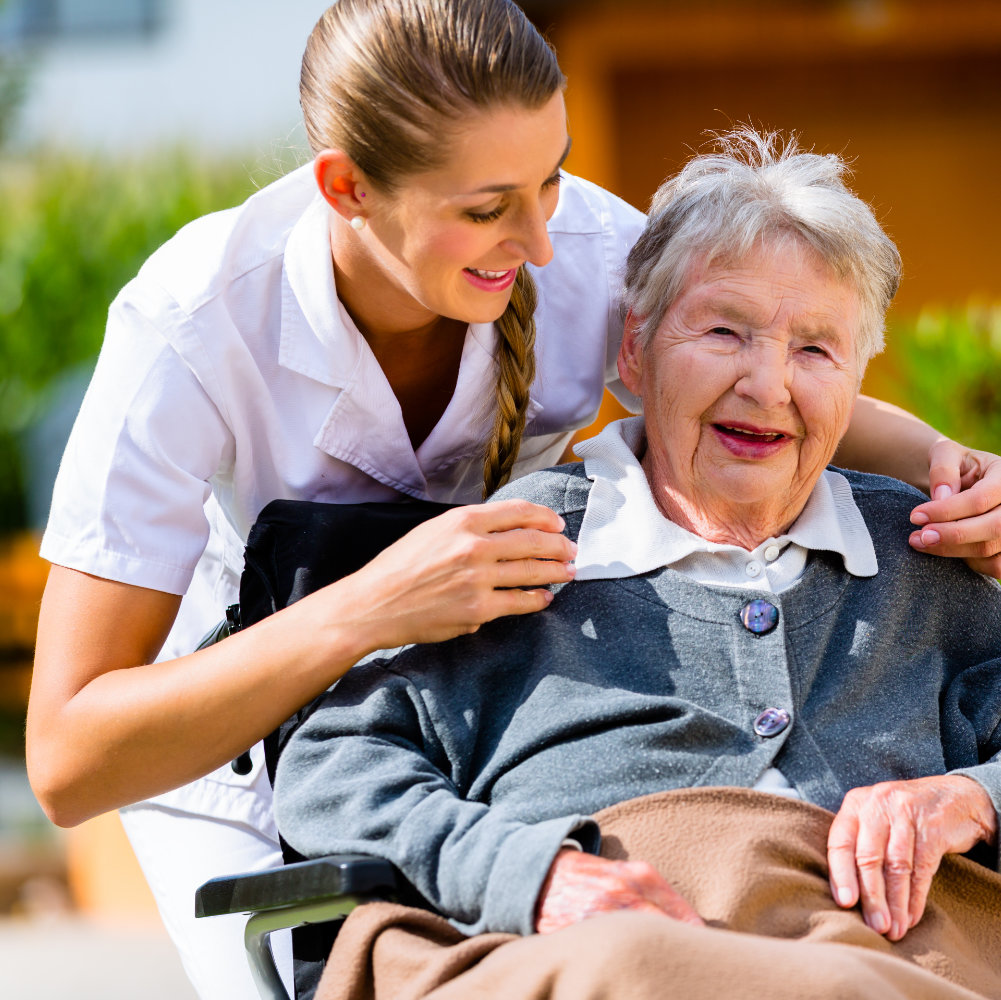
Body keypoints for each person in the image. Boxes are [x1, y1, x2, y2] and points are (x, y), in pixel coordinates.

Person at [25, 1, 1000, 997]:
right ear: (347, 188)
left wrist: (950, 465)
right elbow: (69, 761)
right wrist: (373, 604)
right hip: (247, 704)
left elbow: (764, 364)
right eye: (490, 208)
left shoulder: (583, 249)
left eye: (552, 177)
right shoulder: (196, 325)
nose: (541, 239)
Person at [274, 129, 1001, 1000]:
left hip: (888, 962)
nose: (768, 385)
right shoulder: (509, 550)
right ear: (634, 353)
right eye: (724, 331)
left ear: (854, 383)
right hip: (604, 964)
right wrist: (524, 871)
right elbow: (335, 765)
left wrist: (968, 795)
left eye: (815, 349)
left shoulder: (918, 555)